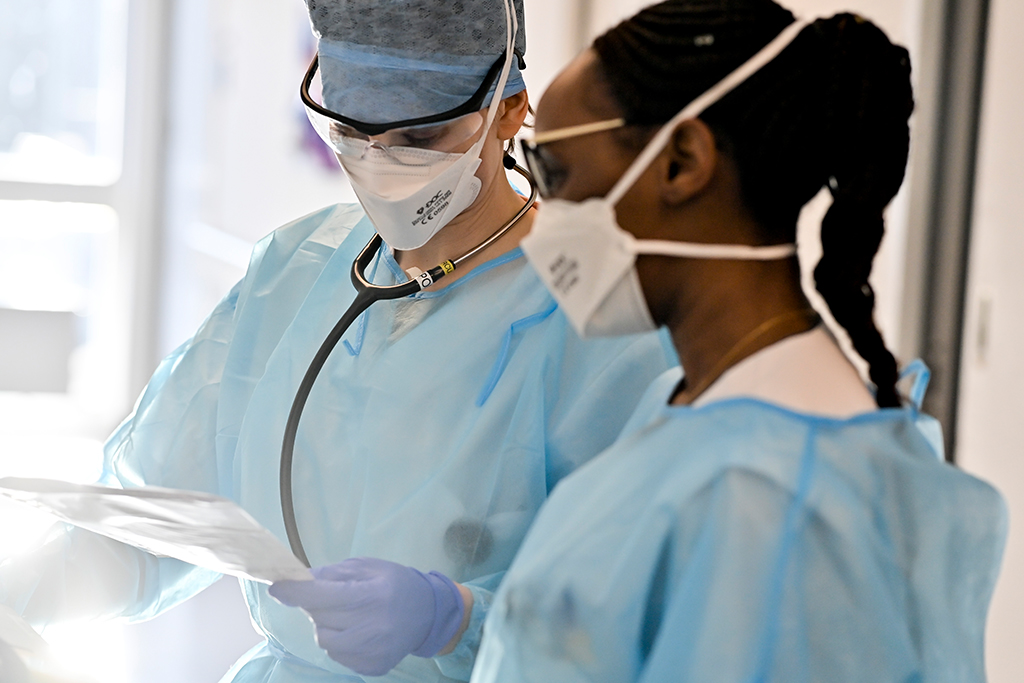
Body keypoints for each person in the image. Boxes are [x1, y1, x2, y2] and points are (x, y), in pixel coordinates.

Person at [0, 1, 672, 682]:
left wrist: (455, 618)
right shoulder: (295, 272)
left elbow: (635, 617)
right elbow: (150, 520)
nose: (380, 162)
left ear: (508, 108)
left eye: (421, 134)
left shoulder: (606, 325)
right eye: (351, 130)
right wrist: (20, 589)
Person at [469, 2, 1007, 681]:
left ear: (682, 161)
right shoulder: (697, 401)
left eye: (557, 174)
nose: (547, 217)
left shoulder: (769, 496)